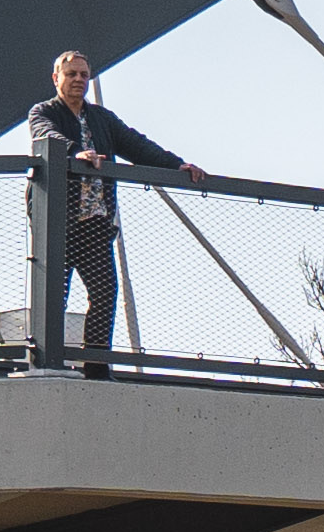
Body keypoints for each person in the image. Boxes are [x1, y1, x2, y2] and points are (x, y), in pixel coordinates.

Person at [25, 51, 203, 371]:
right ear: (56, 79)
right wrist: (76, 153)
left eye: (84, 74)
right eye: (72, 75)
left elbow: (136, 145)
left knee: (105, 292)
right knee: (54, 293)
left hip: (94, 222)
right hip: (58, 220)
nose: (79, 80)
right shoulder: (44, 112)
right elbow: (45, 135)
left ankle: (95, 364)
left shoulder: (101, 119)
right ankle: (48, 363)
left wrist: (177, 165)